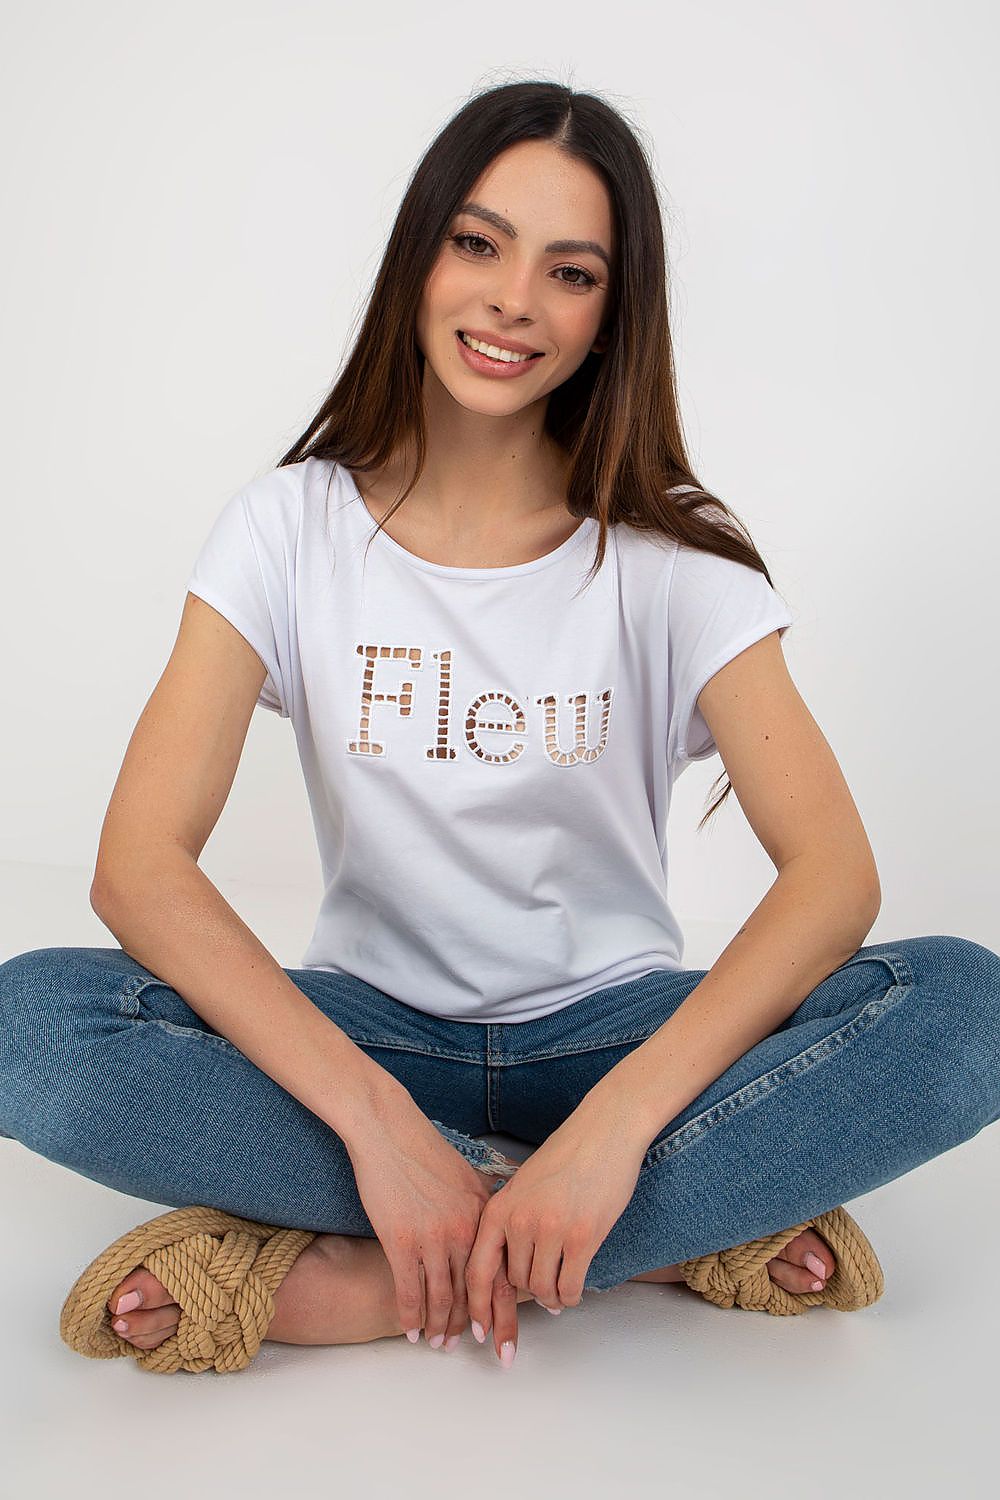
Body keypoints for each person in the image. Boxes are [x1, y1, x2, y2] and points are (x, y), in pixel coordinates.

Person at [3, 79, 999, 1374]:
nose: (513, 299)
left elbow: (831, 882)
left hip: (617, 1037)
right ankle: (647, 1234)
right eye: (477, 243)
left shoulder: (673, 560)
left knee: (969, 1010)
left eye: (569, 270)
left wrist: (613, 1130)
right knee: (31, 1030)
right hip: (368, 1031)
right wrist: (376, 1125)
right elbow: (138, 867)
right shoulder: (286, 527)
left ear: (610, 312)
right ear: (421, 256)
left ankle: (392, 1272)